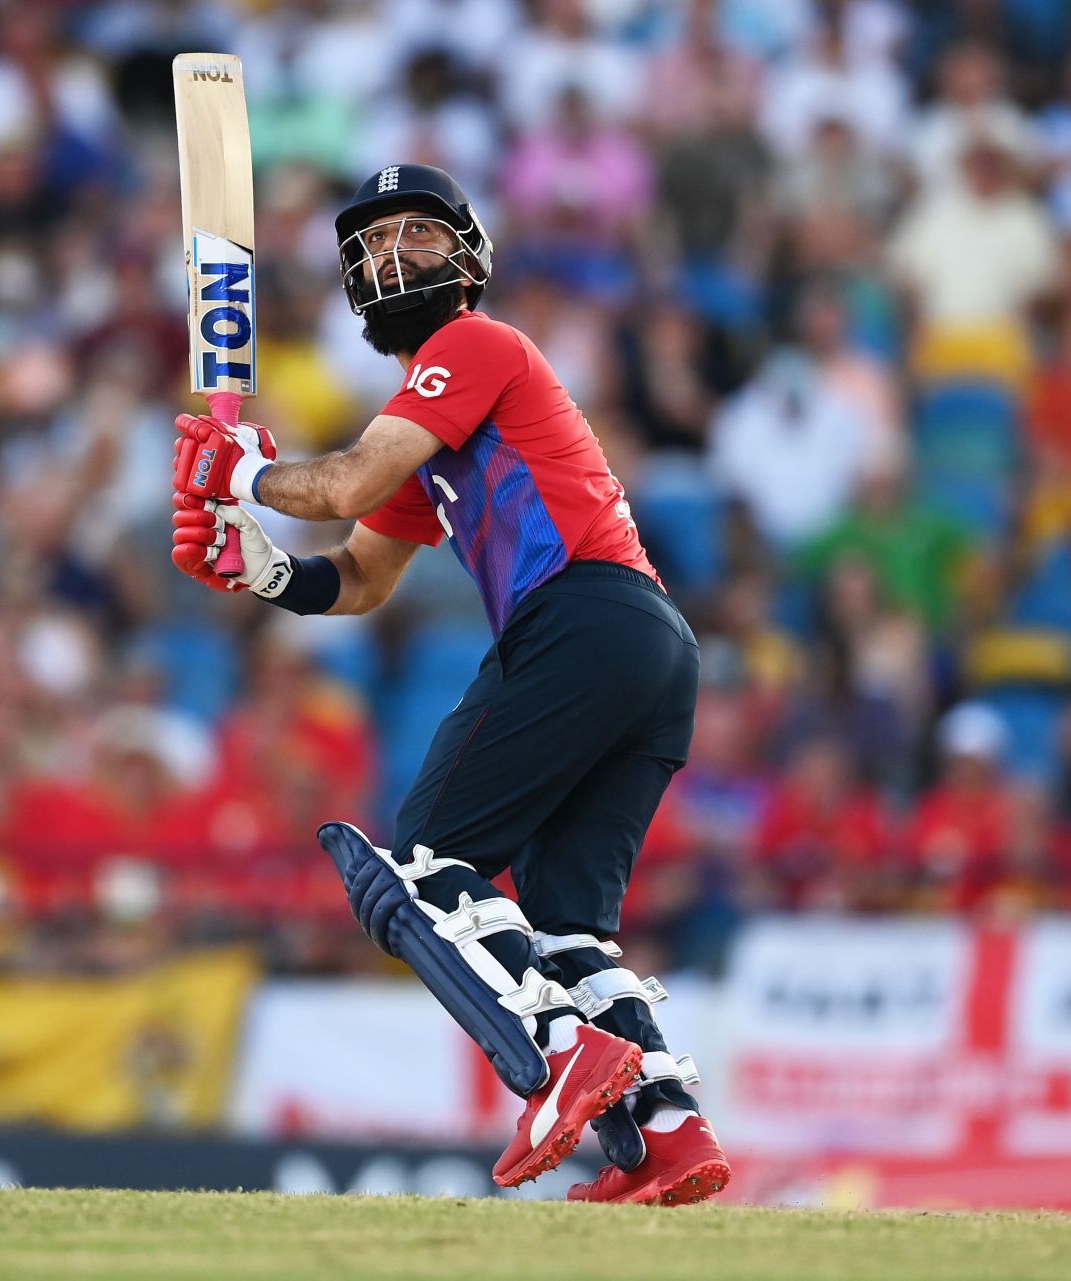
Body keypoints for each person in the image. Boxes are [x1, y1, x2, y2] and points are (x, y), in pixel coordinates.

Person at [168, 164, 725, 1206]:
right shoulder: (432, 427)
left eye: (419, 235)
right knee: (565, 920)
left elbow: (341, 483)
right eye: (374, 246)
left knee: (426, 859)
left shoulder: (474, 346)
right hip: (648, 650)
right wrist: (264, 568)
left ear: (469, 258)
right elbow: (363, 578)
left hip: (584, 618)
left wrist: (240, 475)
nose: (393, 257)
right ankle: (667, 1131)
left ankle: (561, 1053)